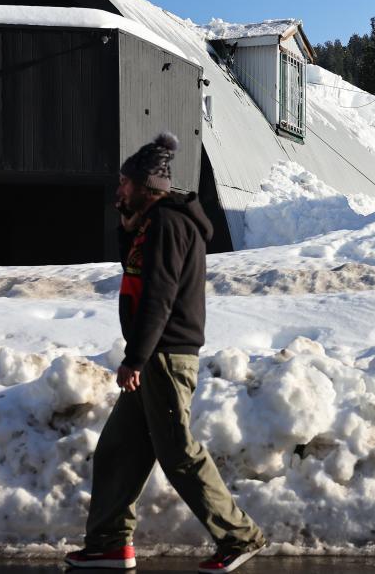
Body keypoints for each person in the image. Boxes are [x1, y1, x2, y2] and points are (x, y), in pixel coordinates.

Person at [66, 133, 266, 573]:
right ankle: (108, 544)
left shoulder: (168, 225)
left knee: (177, 452)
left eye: (124, 183)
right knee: (119, 449)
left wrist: (135, 358)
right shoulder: (150, 224)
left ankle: (239, 537)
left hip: (165, 355)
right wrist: (126, 226)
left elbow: (158, 295)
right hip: (155, 354)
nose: (118, 189)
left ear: (144, 185)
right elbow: (137, 279)